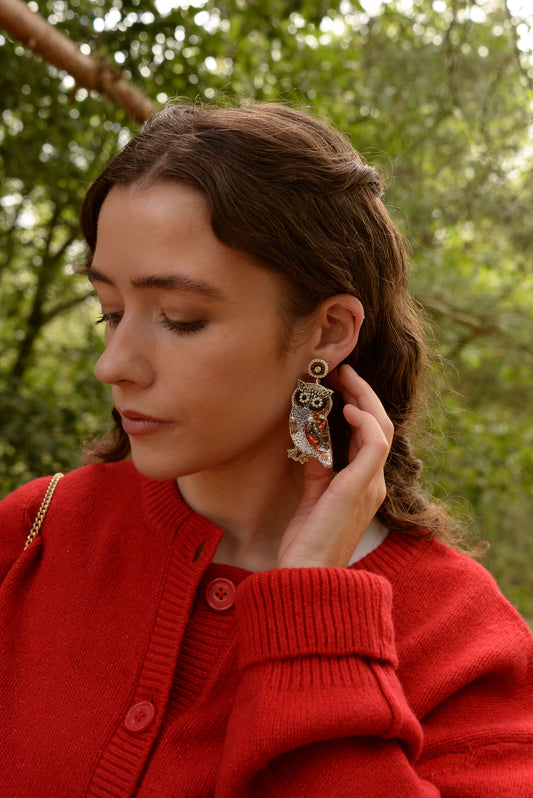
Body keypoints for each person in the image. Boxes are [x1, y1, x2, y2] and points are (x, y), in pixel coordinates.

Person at [0, 101, 531, 797]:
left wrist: (315, 613)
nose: (114, 364)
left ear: (327, 332)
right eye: (110, 311)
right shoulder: (35, 533)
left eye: (179, 319)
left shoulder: (460, 640)